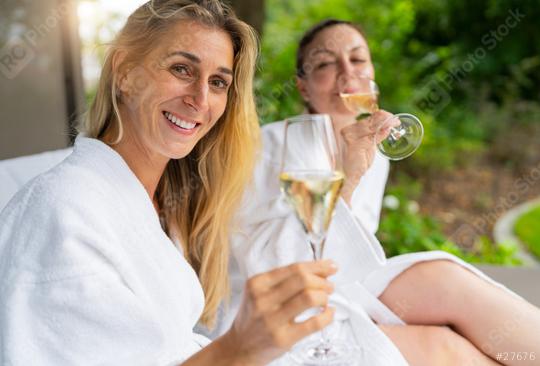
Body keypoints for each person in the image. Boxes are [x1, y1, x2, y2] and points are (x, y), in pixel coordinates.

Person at [0, 2, 345, 365]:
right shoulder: (62, 211)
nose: (199, 99)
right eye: (182, 69)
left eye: (218, 83)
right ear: (124, 72)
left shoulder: (164, 205)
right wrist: (240, 347)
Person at [225, 19, 540, 365]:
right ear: (303, 86)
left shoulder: (374, 155)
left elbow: (355, 254)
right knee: (444, 345)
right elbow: (265, 265)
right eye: (326, 63)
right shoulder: (264, 150)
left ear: (372, 72)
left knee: (443, 277)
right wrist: (347, 180)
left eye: (358, 59)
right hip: (276, 307)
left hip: (346, 289)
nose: (347, 73)